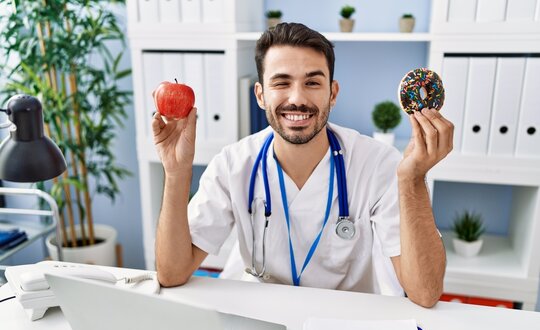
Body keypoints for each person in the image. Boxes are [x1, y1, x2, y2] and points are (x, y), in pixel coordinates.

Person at [152, 23, 453, 307]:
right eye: (281, 82)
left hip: (346, 324)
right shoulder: (233, 164)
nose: (297, 98)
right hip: (260, 314)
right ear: (260, 95)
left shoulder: (378, 164)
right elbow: (171, 274)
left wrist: (413, 178)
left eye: (312, 82)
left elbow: (425, 292)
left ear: (332, 93)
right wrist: (176, 173)